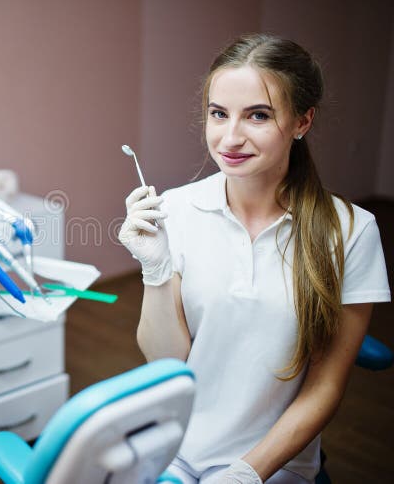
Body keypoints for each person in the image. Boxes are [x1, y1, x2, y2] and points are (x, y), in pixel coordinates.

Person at [119, 34, 391, 484]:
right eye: (218, 114)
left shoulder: (351, 230)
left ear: (302, 121)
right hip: (175, 452)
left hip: (276, 464)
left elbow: (324, 387)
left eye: (258, 116)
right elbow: (166, 362)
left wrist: (248, 472)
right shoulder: (177, 210)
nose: (230, 137)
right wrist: (156, 270)